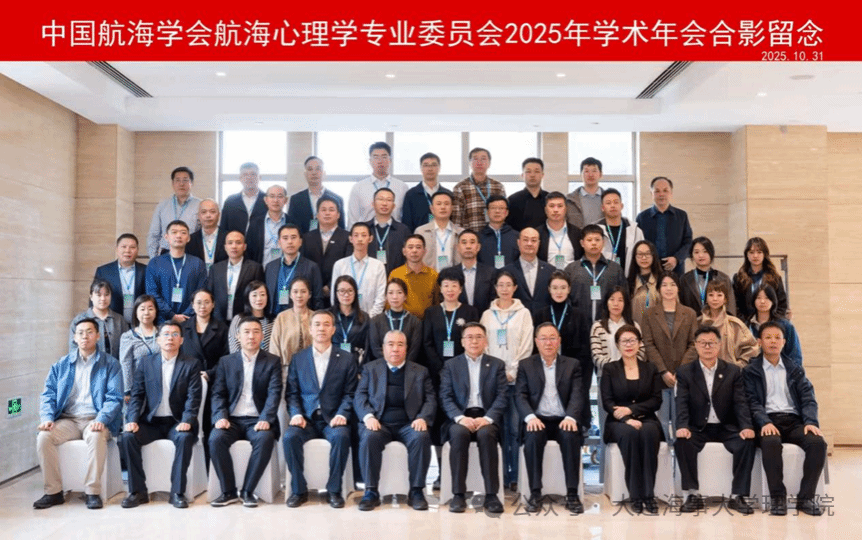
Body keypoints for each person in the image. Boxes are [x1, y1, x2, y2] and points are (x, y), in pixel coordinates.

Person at [34, 318, 123, 510]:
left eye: (90, 332)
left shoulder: (111, 364)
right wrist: (47, 418)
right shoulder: (61, 365)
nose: (85, 336)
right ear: (74, 337)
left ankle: (92, 492)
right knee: (44, 437)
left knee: (96, 435)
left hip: (96, 419)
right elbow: (48, 394)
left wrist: (102, 419)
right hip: (69, 420)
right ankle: (53, 492)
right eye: (80, 332)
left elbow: (115, 397)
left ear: (97, 336)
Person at [742, 321, 826, 516]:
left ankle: (806, 498)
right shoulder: (750, 371)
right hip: (768, 421)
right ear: (759, 342)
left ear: (784, 342)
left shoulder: (795, 369)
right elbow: (751, 401)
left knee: (817, 443)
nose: (773, 341)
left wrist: (810, 422)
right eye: (768, 337)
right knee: (770, 442)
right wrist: (764, 422)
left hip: (794, 421)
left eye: (777, 338)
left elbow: (808, 398)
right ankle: (778, 498)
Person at [119, 321, 202, 509]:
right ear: (158, 340)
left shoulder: (191, 364)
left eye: (175, 334)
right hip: (152, 423)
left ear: (181, 340)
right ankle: (138, 492)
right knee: (128, 437)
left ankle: (177, 492)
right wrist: (132, 420)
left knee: (184, 437)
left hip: (177, 422)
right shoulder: (146, 363)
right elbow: (137, 396)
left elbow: (193, 398)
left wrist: (187, 421)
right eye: (165, 334)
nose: (170, 338)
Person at [675, 326, 756, 515]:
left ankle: (738, 496)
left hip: (726, 426)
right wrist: (682, 426)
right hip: (698, 427)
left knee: (747, 442)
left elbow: (740, 402)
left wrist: (746, 426)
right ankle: (692, 495)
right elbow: (681, 403)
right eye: (703, 343)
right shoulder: (685, 372)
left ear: (719, 345)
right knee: (682, 442)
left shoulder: (732, 371)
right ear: (696, 345)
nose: (707, 347)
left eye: (711, 343)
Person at [354, 330, 436, 511]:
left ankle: (416, 491)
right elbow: (360, 396)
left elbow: (430, 399)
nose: (395, 349)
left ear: (407, 348)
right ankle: (370, 491)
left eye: (400, 344)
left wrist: (422, 417)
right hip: (379, 422)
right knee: (369, 437)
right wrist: (368, 416)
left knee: (421, 437)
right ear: (383, 348)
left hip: (409, 424)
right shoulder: (370, 369)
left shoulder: (420, 371)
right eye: (390, 344)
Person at [283, 310, 358, 509]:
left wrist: (342, 413)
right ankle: (299, 490)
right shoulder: (298, 359)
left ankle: (334, 490)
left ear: (333, 329)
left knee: (341, 437)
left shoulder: (347, 358)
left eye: (326, 324)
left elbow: (351, 393)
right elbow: (292, 393)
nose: (321, 328)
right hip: (306, 419)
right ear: (310, 329)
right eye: (317, 324)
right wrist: (296, 414)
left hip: (333, 419)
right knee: (289, 437)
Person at [209, 316, 282, 508]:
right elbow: (218, 393)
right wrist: (220, 416)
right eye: (246, 332)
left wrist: (266, 418)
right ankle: (228, 491)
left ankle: (248, 491)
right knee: (215, 439)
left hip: (258, 420)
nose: (251, 336)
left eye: (256, 332)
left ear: (262, 336)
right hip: (232, 420)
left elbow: (274, 394)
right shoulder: (226, 362)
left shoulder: (272, 361)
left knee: (265, 439)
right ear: (238, 336)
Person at [515, 323, 585, 514]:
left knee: (570, 437)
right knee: (532, 438)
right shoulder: (526, 365)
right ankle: (535, 493)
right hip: (538, 419)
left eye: (552, 338)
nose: (548, 343)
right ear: (536, 342)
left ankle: (572, 494)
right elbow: (520, 395)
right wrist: (530, 417)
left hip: (564, 419)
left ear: (559, 341)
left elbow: (577, 394)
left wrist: (571, 417)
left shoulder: (572, 365)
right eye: (543, 338)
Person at [439, 322, 507, 514]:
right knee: (459, 434)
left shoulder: (497, 365)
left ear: (486, 341)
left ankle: (491, 495)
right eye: (469, 337)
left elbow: (502, 396)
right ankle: (458, 494)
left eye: (479, 337)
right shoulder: (451, 365)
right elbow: (445, 396)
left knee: (487, 435)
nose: (474, 341)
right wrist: (460, 418)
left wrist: (488, 418)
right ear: (462, 342)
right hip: (460, 417)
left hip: (487, 417)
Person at [600, 325, 664, 514]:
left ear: (639, 343)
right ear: (617, 345)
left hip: (647, 418)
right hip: (618, 422)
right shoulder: (610, 369)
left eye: (632, 340)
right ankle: (636, 496)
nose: (628, 345)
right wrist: (627, 418)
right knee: (630, 434)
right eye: (624, 341)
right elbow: (607, 402)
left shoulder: (650, 368)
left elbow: (656, 400)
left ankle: (648, 495)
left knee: (649, 433)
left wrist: (631, 409)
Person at [479, 271, 534, 491]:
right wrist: (496, 373)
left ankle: (515, 476)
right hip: (493, 381)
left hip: (516, 380)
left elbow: (527, 345)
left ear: (515, 288)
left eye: (508, 285)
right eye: (500, 285)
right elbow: (483, 345)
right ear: (495, 288)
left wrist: (513, 371)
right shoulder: (487, 315)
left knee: (514, 429)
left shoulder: (524, 314)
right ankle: (499, 476)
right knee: (496, 429)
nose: (504, 289)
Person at [641, 271, 698, 439]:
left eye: (673, 284)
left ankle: (681, 453)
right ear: (658, 289)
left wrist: (680, 371)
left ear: (678, 288)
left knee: (683, 420)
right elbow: (648, 344)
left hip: (684, 375)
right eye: (664, 285)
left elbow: (694, 344)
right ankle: (664, 452)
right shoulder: (649, 314)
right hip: (658, 375)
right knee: (662, 421)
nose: (669, 289)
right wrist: (663, 371)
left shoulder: (690, 313)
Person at [536, 271, 593, 434]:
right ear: (549, 289)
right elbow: (535, 348)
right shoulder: (540, 314)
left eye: (563, 287)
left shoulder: (580, 315)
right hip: (546, 372)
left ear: (569, 289)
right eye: (555, 288)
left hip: (571, 375)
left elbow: (585, 351)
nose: (559, 292)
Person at [179, 289, 230, 467]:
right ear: (192, 305)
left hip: (214, 383)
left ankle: (209, 470)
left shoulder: (222, 328)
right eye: (198, 302)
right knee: (187, 427)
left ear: (213, 304)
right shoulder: (182, 328)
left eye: (207, 302)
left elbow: (226, 359)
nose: (203, 306)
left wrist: (210, 373)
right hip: (187, 385)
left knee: (209, 428)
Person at [422, 267, 480, 388]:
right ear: (440, 288)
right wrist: (440, 366)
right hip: (436, 369)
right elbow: (427, 342)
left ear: (460, 289)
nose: (450, 289)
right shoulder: (431, 312)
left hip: (464, 367)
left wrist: (460, 364)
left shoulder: (470, 312)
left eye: (454, 285)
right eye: (446, 285)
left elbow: (473, 340)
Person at [145, 220, 208, 324]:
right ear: (166, 237)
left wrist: (187, 314)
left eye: (183, 233)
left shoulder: (198, 263)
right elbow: (152, 293)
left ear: (188, 238)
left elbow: (201, 292)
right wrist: (171, 315)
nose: (178, 236)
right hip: (162, 321)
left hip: (190, 321)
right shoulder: (155, 263)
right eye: (174, 232)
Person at [565, 224, 627, 321]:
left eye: (597, 240)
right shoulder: (571, 269)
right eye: (589, 240)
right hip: (578, 323)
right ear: (582, 243)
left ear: (603, 242)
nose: (594, 243)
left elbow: (624, 297)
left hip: (607, 324)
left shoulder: (615, 269)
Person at [635, 176, 692, 276]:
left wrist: (677, 258)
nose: (661, 194)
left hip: (675, 270)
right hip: (649, 270)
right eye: (657, 191)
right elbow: (637, 244)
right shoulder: (642, 217)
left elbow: (688, 242)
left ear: (671, 193)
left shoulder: (681, 216)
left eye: (665, 190)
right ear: (651, 194)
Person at [301, 196, 352, 304]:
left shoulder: (347, 237)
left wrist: (330, 286)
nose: (327, 213)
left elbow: (347, 265)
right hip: (311, 294)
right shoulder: (306, 238)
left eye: (331, 210)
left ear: (338, 215)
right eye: (323, 210)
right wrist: (314, 287)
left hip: (338, 293)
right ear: (317, 214)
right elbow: (303, 265)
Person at [265, 224, 325, 316]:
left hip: (301, 319)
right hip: (274, 319)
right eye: (285, 238)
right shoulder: (270, 267)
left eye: (293, 237)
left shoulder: (312, 267)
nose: (290, 242)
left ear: (300, 242)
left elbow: (318, 299)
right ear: (279, 243)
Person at [330, 223, 387, 317]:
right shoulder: (339, 265)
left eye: (364, 235)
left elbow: (380, 298)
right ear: (350, 239)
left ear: (370, 239)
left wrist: (368, 318)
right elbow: (334, 296)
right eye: (356, 235)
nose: (360, 239)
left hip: (371, 318)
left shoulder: (378, 266)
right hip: (344, 318)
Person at [698, 280, 760, 367]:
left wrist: (738, 366)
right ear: (706, 299)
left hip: (729, 373)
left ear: (725, 299)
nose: (715, 299)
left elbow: (752, 348)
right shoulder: (698, 323)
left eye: (719, 295)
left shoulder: (735, 324)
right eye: (711, 295)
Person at [208, 230, 266, 323]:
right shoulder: (215, 269)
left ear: (244, 246)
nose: (234, 246)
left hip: (244, 320)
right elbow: (209, 295)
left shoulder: (255, 268)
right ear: (225, 247)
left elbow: (259, 295)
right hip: (218, 321)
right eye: (230, 243)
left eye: (238, 243)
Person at [348, 142, 408, 226]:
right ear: (370, 161)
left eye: (384, 157)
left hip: (394, 232)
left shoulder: (402, 187)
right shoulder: (358, 187)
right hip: (366, 232)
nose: (380, 161)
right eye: (376, 157)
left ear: (390, 160)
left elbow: (405, 218)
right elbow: (352, 220)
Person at [147, 166, 201, 259]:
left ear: (191, 183)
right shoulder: (162, 206)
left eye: (185, 180)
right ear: (172, 184)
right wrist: (154, 259)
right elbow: (154, 235)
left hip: (190, 253)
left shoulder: (200, 205)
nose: (181, 184)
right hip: (166, 253)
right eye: (177, 180)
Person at [69, 278, 129, 360]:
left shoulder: (119, 320)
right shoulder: (79, 320)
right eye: (99, 295)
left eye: (106, 294)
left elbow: (127, 348)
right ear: (91, 297)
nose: (103, 298)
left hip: (115, 366)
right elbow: (73, 350)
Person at [94, 233, 147, 324]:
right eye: (124, 247)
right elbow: (95, 298)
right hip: (111, 322)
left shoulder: (146, 270)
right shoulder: (103, 271)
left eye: (132, 247)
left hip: (139, 322)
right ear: (117, 249)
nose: (128, 250)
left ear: (137, 250)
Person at [502, 227, 554, 321]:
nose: (529, 243)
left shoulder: (550, 271)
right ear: (519, 242)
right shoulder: (507, 272)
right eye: (525, 240)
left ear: (539, 243)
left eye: (533, 240)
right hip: (516, 322)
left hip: (544, 322)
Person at [733, 236, 789, 321]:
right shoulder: (739, 278)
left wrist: (774, 323)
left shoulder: (775, 278)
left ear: (764, 254)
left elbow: (782, 305)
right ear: (747, 255)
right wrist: (744, 323)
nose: (755, 256)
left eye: (759, 252)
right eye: (751, 252)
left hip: (770, 324)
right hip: (746, 324)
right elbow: (735, 305)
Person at [589, 286, 643, 375]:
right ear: (606, 302)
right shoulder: (597, 327)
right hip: (606, 375)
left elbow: (641, 352)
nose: (616, 304)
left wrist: (627, 367)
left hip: (631, 374)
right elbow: (596, 356)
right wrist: (616, 368)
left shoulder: (634, 326)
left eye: (620, 300)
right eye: (612, 299)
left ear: (625, 303)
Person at [286, 156, 346, 235]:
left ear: (323, 173)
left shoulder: (337, 199)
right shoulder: (295, 200)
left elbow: (341, 229)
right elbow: (291, 228)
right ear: (305, 174)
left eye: (318, 169)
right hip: (303, 241)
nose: (314, 173)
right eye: (310, 169)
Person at [368, 278, 422, 364]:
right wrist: (390, 364)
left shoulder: (415, 322)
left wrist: (401, 365)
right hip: (382, 366)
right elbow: (375, 349)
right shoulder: (376, 321)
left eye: (399, 293)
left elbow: (414, 351)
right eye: (390, 293)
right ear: (386, 296)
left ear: (405, 296)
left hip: (407, 367)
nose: (395, 297)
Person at [452, 147, 506, 233]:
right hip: (470, 238)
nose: (479, 162)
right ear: (470, 163)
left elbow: (504, 215)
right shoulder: (460, 188)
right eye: (475, 159)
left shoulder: (498, 187)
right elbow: (456, 221)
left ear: (489, 163)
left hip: (494, 236)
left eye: (483, 159)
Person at [748, 284, 803, 366]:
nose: (762, 301)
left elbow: (795, 355)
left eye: (767, 298)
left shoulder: (785, 326)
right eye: (758, 298)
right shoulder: (747, 326)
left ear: (773, 301)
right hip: (754, 371)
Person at [680, 236, 737, 316]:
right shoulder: (684, 279)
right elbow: (681, 306)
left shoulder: (723, 278)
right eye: (696, 252)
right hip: (692, 322)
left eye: (705, 251)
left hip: (718, 322)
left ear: (711, 253)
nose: (701, 255)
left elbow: (731, 307)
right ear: (692, 256)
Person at [269, 278, 313, 380]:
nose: (299, 295)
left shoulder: (315, 317)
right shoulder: (282, 317)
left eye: (303, 291)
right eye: (295, 292)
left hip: (311, 369)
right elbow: (274, 346)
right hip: (286, 370)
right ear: (290, 295)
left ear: (309, 295)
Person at [388, 234, 440, 320]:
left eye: (418, 247)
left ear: (424, 251)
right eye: (410, 247)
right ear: (404, 251)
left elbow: (437, 303)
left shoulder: (433, 275)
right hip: (402, 321)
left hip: (426, 321)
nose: (414, 250)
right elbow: (389, 303)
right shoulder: (395, 274)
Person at [119, 295, 160, 400]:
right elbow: (126, 364)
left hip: (161, 385)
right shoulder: (128, 337)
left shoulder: (164, 333)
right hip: (138, 388)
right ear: (136, 313)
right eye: (142, 309)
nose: (146, 313)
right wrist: (127, 390)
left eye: (150, 309)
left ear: (156, 311)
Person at [401, 152, 452, 233]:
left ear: (439, 168)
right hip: (418, 238)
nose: (430, 169)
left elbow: (452, 221)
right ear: (421, 168)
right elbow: (407, 224)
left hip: (444, 237)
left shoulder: (448, 194)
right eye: (426, 165)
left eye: (434, 165)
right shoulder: (411, 194)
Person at [597, 188, 644, 275]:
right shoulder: (595, 230)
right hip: (603, 278)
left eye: (616, 202)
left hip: (630, 278)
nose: (612, 206)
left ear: (621, 206)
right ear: (602, 208)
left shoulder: (635, 231)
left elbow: (642, 255)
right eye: (608, 203)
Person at [366, 187, 412, 275]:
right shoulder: (364, 229)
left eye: (389, 200)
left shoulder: (403, 230)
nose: (384, 203)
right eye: (380, 199)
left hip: (397, 278)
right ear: (373, 204)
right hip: (368, 277)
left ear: (394, 206)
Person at [415, 191, 464, 272]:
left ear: (452, 208)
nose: (443, 207)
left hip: (454, 277)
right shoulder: (421, 231)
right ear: (432, 208)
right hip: (427, 276)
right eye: (439, 204)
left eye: (446, 204)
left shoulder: (460, 233)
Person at [453, 229, 496, 315]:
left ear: (478, 247)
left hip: (485, 319)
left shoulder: (491, 273)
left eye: (472, 242)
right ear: (458, 247)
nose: (468, 246)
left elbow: (494, 300)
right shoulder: (451, 273)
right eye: (464, 243)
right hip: (457, 320)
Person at [537, 191, 583, 270]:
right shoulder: (537, 234)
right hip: (546, 276)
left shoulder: (577, 233)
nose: (556, 210)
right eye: (551, 206)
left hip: (571, 276)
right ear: (545, 210)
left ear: (566, 209)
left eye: (560, 206)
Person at [245, 184, 288, 268]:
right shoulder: (255, 223)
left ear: (285, 200)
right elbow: (249, 250)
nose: (276, 200)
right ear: (266, 200)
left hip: (287, 270)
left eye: (280, 196)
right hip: (261, 270)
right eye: (272, 196)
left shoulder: (293, 222)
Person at [329, 275, 370, 363]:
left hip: (355, 363)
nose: (346, 295)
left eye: (350, 291)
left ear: (355, 293)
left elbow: (366, 347)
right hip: (331, 362)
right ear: (336, 293)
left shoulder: (364, 317)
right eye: (342, 291)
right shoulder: (328, 315)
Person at [220, 162, 267, 235]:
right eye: (245, 174)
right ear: (240, 178)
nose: (249, 177)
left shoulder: (268, 200)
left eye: (253, 174)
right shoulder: (230, 201)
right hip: (236, 241)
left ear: (259, 177)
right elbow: (223, 228)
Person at [227, 281, 273, 354]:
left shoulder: (273, 321)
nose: (259, 299)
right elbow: (234, 346)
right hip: (242, 360)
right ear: (247, 297)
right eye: (254, 295)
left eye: (262, 295)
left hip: (268, 360)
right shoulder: (239, 319)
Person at [506, 157, 548, 232]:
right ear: (523, 175)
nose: (532, 175)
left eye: (537, 171)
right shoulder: (512, 200)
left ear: (542, 175)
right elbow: (508, 227)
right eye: (528, 172)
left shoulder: (549, 199)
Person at [478, 195, 519, 269]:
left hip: (511, 275)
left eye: (501, 208)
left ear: (507, 212)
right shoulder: (478, 237)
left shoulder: (517, 236)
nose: (497, 211)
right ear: (487, 212)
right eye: (493, 208)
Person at [186, 198, 227, 271]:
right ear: (198, 216)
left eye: (212, 212)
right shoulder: (190, 240)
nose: (208, 215)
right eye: (204, 212)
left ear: (219, 215)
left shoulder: (228, 238)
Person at [627, 240, 662, 325]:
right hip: (635, 329)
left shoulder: (662, 280)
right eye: (640, 254)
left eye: (647, 254)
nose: (644, 258)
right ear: (634, 257)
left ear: (653, 256)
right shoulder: (629, 283)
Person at [565, 156, 604, 228]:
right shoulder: (570, 200)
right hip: (577, 235)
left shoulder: (608, 198)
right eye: (586, 171)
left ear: (600, 174)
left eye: (594, 171)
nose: (590, 175)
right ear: (581, 175)